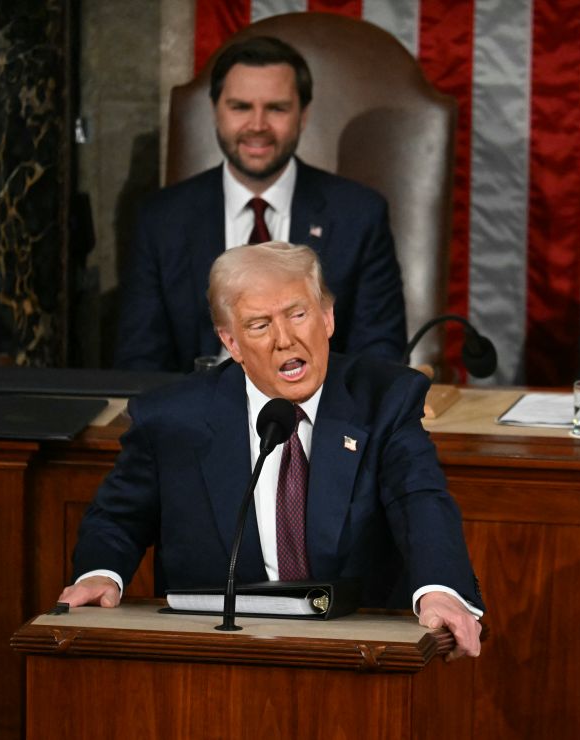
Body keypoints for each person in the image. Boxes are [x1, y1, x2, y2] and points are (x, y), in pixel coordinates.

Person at [62, 243, 482, 659]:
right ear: (232, 343)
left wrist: (440, 590)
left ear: (327, 317)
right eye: (259, 325)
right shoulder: (173, 419)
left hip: (357, 654)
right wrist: (101, 573)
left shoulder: (385, 399)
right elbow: (118, 517)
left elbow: (419, 500)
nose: (285, 339)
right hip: (215, 657)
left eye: (298, 314)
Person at [114, 36, 407, 372]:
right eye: (240, 107)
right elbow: (139, 363)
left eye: (276, 108)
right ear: (216, 112)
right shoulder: (161, 219)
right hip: (195, 415)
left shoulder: (359, 215)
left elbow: (379, 359)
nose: (257, 126)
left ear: (303, 116)